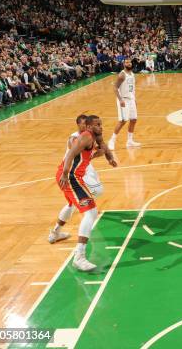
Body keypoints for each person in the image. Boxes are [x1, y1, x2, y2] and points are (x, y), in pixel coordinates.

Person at [56, 115, 117, 271]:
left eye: (101, 124)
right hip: (70, 177)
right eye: (97, 125)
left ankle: (55, 233)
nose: (101, 127)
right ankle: (79, 257)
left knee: (74, 205)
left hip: (76, 177)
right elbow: (70, 154)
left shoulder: (95, 136)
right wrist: (65, 174)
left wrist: (109, 157)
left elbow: (103, 146)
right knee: (91, 211)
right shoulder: (85, 137)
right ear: (89, 127)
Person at [48, 115, 106, 244]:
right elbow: (71, 150)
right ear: (80, 125)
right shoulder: (77, 137)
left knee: (71, 204)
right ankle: (79, 254)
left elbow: (99, 148)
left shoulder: (92, 136)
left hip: (76, 172)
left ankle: (56, 232)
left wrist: (103, 154)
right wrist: (65, 174)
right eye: (83, 124)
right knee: (94, 199)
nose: (85, 126)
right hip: (70, 174)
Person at [108, 58, 141, 150]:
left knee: (134, 119)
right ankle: (112, 140)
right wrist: (120, 100)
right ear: (124, 64)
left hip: (131, 99)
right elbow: (115, 87)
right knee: (123, 121)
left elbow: (132, 88)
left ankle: (129, 141)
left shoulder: (132, 74)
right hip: (123, 100)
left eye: (130, 62)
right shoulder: (122, 75)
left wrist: (134, 98)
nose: (129, 63)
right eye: (127, 62)